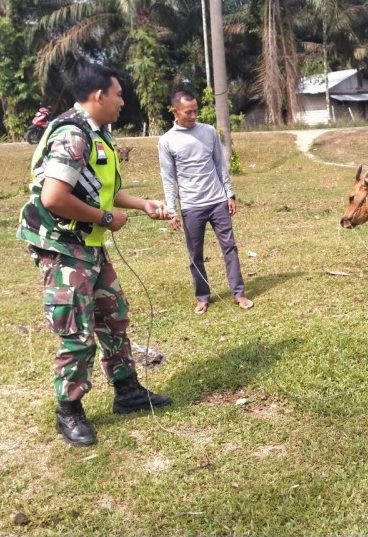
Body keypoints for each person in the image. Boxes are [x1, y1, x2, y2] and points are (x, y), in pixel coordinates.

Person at [17, 62, 173, 447]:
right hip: (63, 246)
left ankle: (128, 392)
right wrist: (106, 218)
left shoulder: (97, 132)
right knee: (76, 332)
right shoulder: (72, 135)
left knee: (114, 315)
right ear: (99, 95)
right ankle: (68, 412)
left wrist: (142, 204)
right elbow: (54, 198)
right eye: (118, 94)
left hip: (88, 244)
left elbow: (95, 189)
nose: (123, 101)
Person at [158, 90, 253, 314]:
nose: (193, 116)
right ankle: (202, 296)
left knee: (230, 248)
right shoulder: (167, 141)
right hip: (191, 206)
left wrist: (229, 195)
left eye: (196, 111)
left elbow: (220, 165)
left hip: (218, 201)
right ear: (175, 112)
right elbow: (168, 178)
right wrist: (172, 210)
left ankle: (238, 293)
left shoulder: (209, 132)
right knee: (195, 254)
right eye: (188, 112)